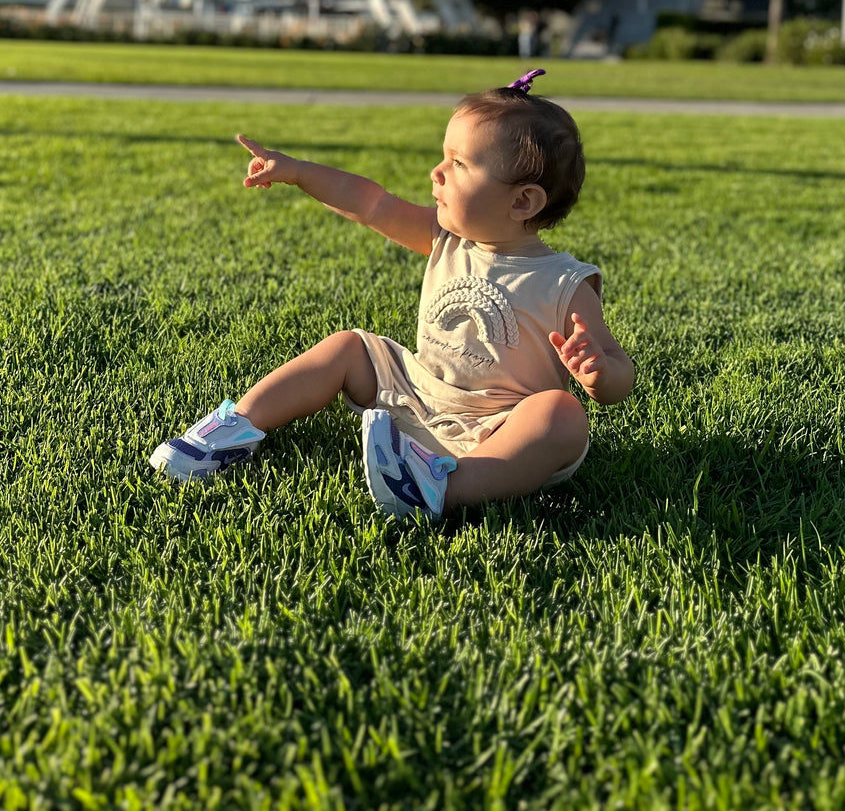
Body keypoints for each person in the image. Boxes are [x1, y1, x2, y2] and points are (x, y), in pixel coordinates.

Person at [151, 70, 635, 520]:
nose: (436, 172)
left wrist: (598, 373)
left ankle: (441, 486)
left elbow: (619, 377)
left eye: (459, 164)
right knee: (349, 346)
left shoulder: (564, 282)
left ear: (523, 200)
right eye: (444, 156)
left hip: (498, 428)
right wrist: (298, 171)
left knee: (561, 414)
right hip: (417, 395)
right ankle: (232, 430)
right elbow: (370, 202)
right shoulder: (445, 237)